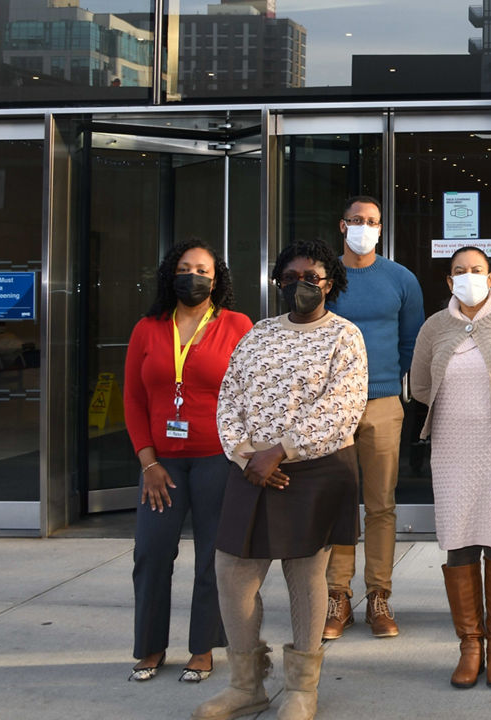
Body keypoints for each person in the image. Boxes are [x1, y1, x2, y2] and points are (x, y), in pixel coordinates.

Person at [192, 239, 367, 720]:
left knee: (306, 576)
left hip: (314, 470)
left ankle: (301, 689)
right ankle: (246, 686)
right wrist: (246, 454)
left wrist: (279, 451)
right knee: (232, 573)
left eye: (312, 277)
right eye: (290, 278)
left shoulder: (344, 336)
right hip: (251, 471)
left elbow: (343, 407)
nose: (301, 286)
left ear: (331, 281)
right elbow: (229, 397)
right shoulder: (258, 334)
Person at [410, 246, 491, 689]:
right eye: (459, 272)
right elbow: (422, 386)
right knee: (459, 542)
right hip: (451, 448)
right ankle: (470, 643)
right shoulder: (434, 326)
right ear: (449, 281)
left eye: (477, 271)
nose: (468, 277)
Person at [123, 240, 253, 684]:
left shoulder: (238, 325)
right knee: (152, 553)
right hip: (161, 465)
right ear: (170, 274)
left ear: (216, 278)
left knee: (212, 560)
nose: (193, 276)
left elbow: (249, 397)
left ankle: (203, 648)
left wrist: (241, 451)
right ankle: (150, 648)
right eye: (184, 268)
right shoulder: (147, 328)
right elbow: (133, 400)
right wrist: (148, 462)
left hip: (218, 460)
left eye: (202, 269)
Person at [323, 195, 424, 640]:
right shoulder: (325, 277)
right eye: (357, 220)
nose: (365, 226)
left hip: (383, 402)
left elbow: (412, 340)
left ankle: (378, 596)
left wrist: (389, 380)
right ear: (342, 225)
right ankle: (337, 595)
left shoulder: (401, 279)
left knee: (381, 504)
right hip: (331, 406)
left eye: (373, 221)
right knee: (338, 502)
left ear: (382, 229)